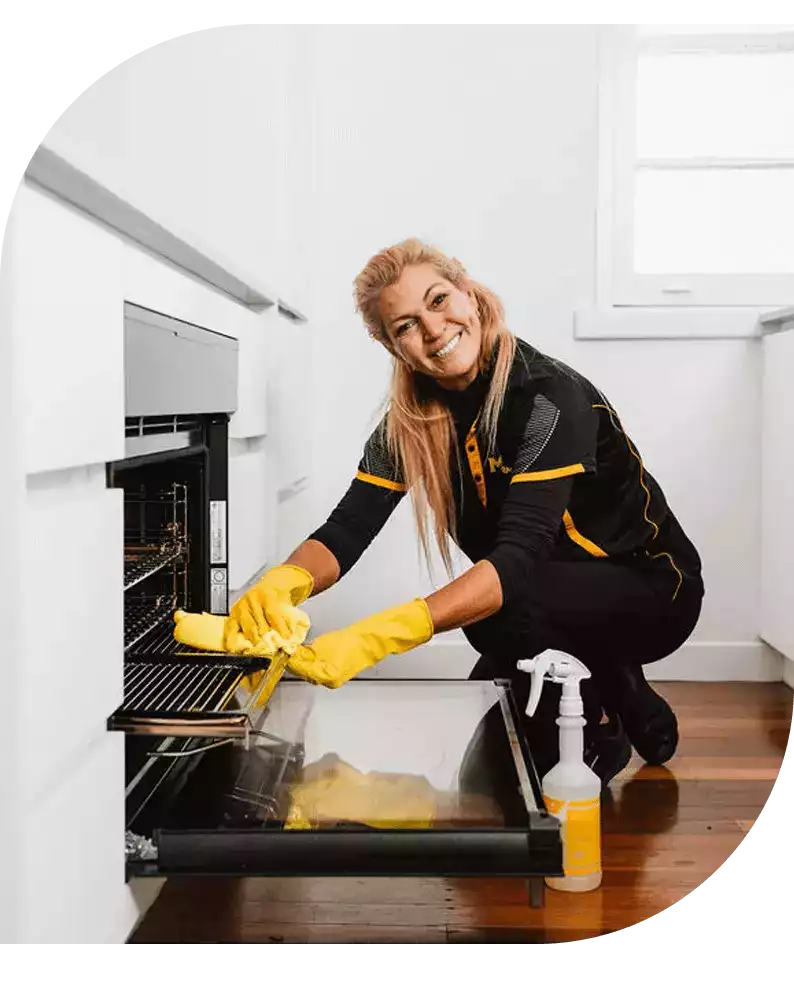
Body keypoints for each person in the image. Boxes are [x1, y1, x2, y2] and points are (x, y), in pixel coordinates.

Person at [215, 238, 705, 788]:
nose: (432, 328)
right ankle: (617, 678)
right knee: (486, 778)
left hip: (652, 588)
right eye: (405, 325)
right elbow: (348, 527)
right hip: (538, 602)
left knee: (496, 614)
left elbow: (517, 561)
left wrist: (380, 635)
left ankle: (608, 714)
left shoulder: (549, 401)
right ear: (391, 346)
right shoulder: (409, 423)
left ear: (469, 294)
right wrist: (286, 582)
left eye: (440, 299)